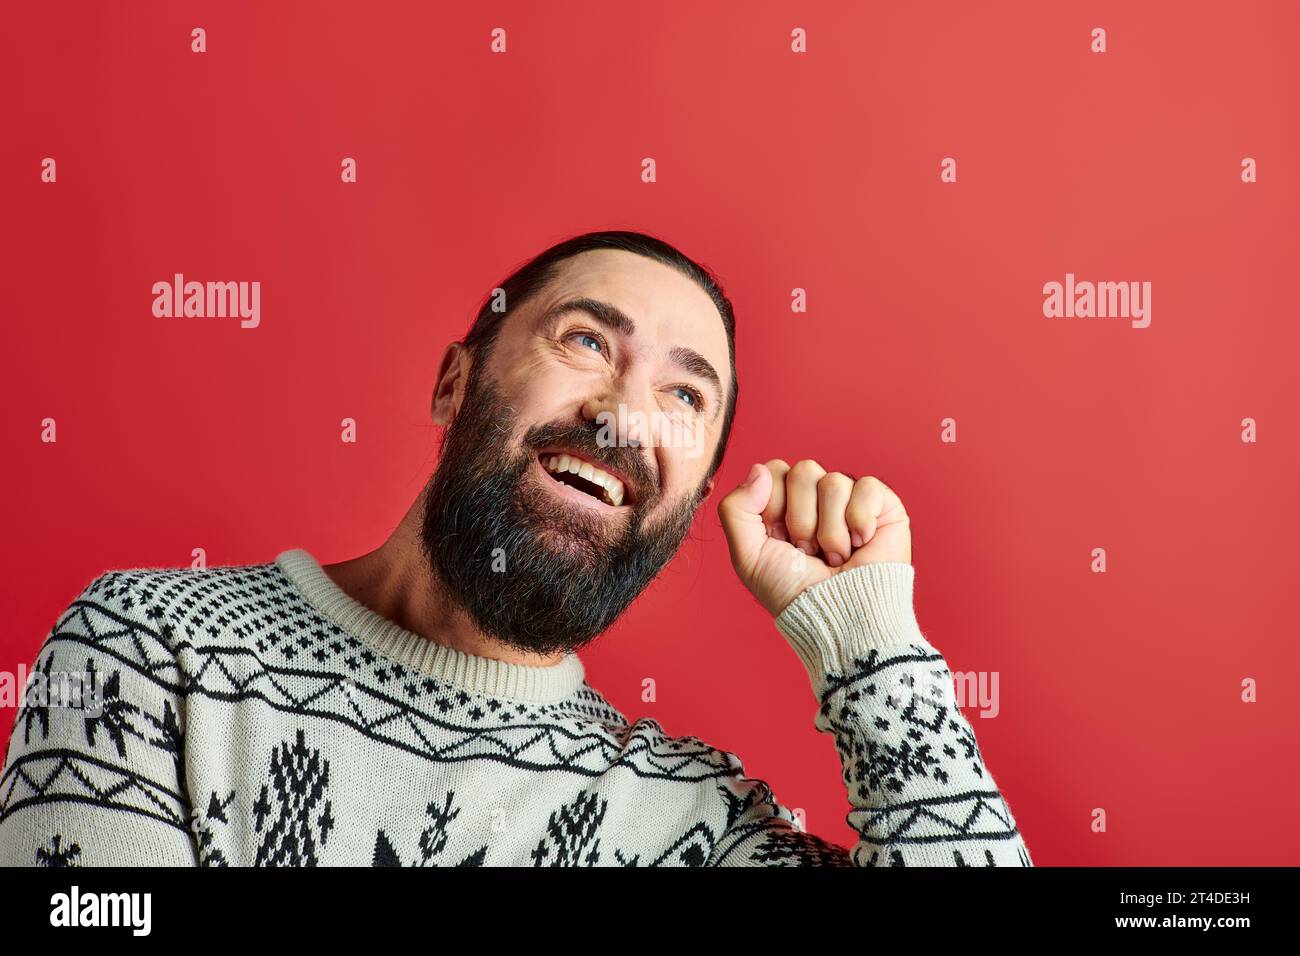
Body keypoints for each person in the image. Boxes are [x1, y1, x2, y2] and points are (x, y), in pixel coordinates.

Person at [0, 230, 1031, 866]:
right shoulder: (150, 645)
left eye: (684, 395)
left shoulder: (689, 819)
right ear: (455, 382)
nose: (625, 415)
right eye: (586, 340)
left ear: (693, 498)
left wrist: (868, 644)